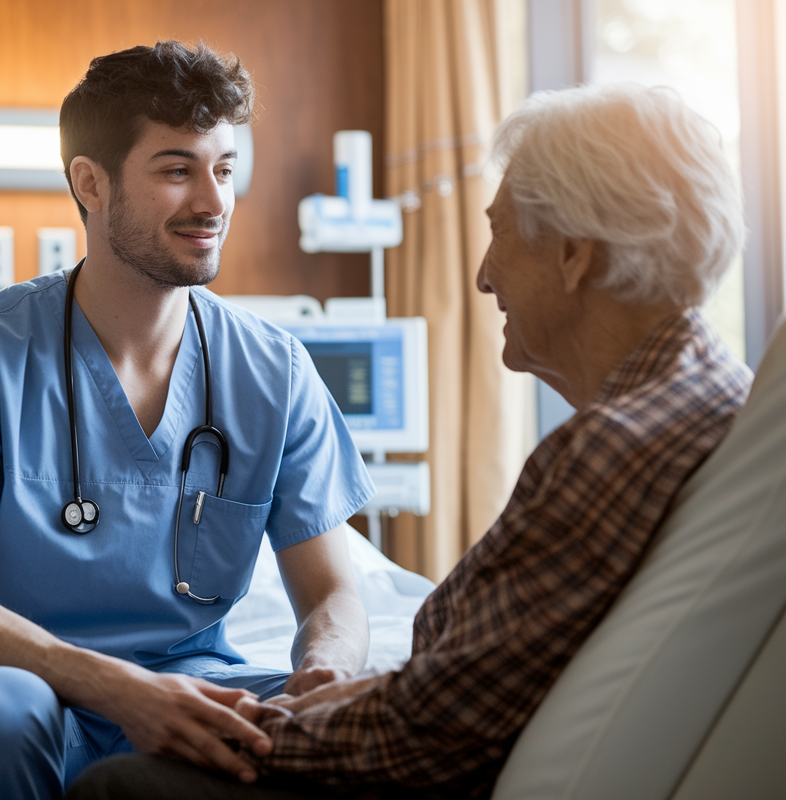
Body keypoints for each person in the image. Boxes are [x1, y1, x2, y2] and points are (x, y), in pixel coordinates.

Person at [64, 83, 755, 800]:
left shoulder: (609, 450)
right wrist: (360, 695)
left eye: (503, 233)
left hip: (435, 768)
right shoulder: (710, 398)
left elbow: (431, 732)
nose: (485, 277)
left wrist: (252, 730)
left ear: (574, 257)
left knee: (120, 787)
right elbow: (482, 684)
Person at [0, 40, 376, 800]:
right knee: (5, 716)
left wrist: (326, 671)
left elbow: (333, 592)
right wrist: (122, 689)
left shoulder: (272, 370)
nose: (213, 202)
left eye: (224, 169)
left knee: (373, 718)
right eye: (177, 170)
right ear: (91, 183)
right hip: (4, 680)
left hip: (193, 681)